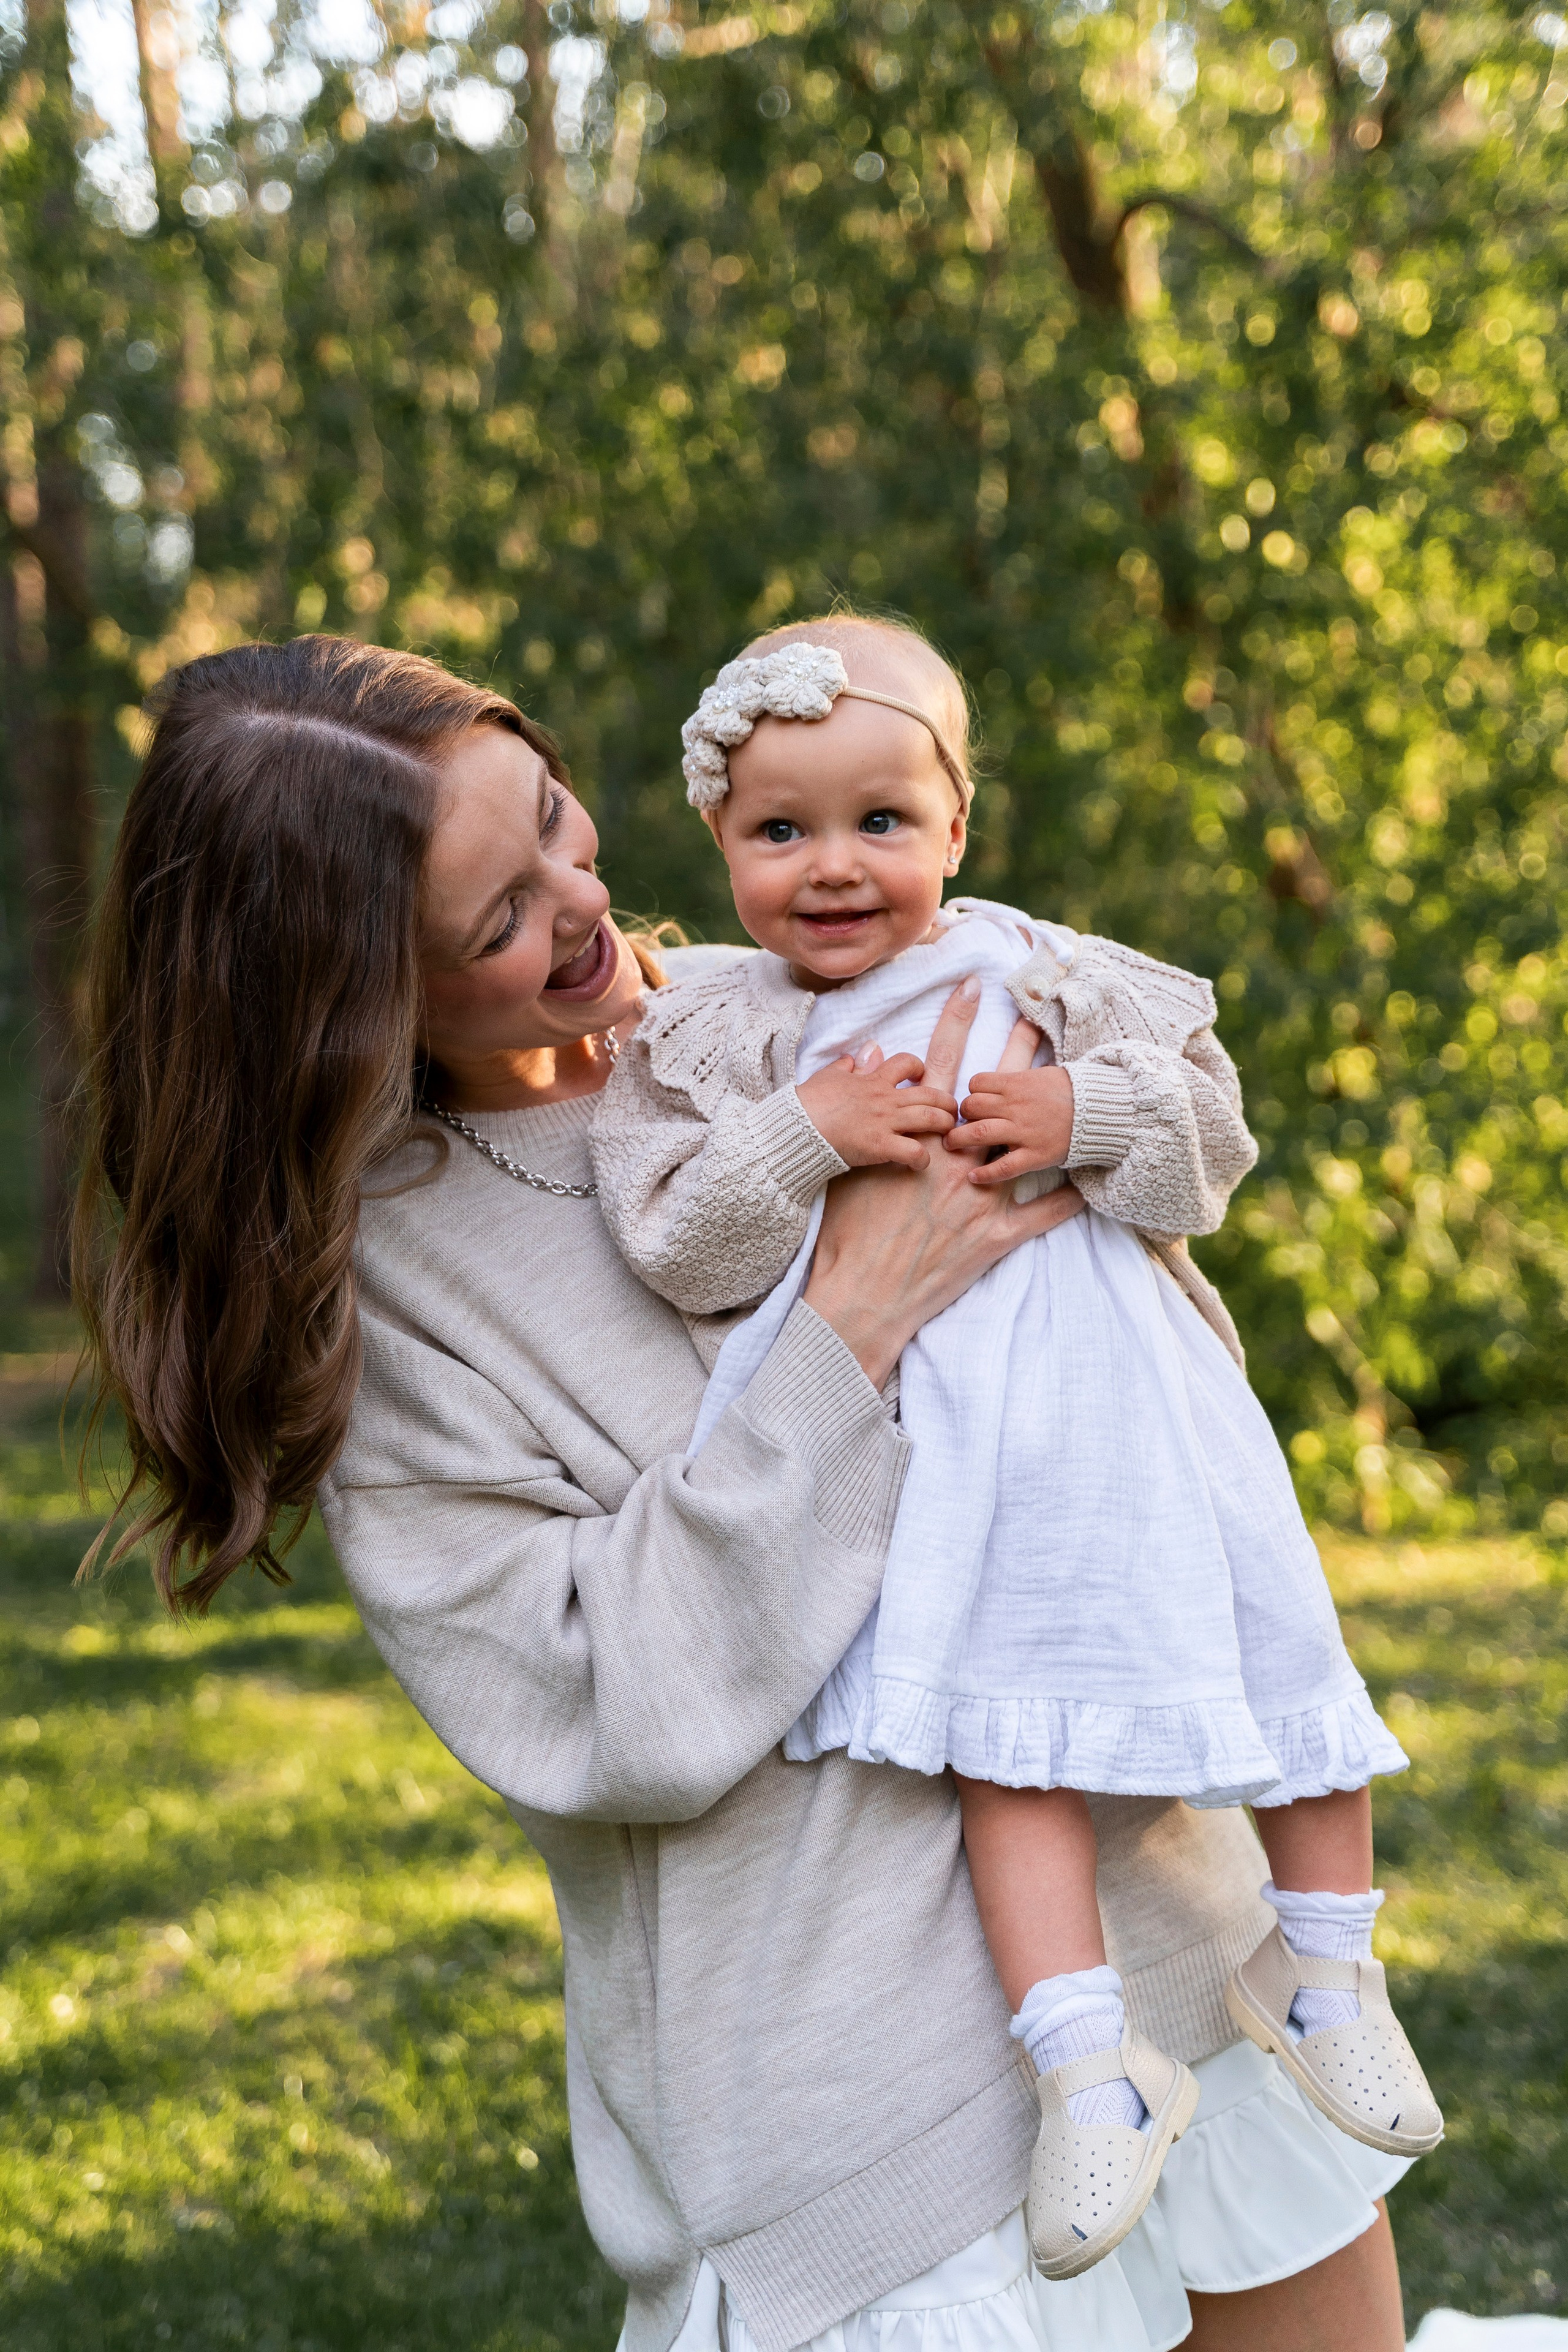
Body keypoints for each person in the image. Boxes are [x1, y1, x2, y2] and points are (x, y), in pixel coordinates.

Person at [75, 633, 1414, 2352]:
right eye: (497, 921)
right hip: (862, 2127)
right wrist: (852, 1321)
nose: (583, 907)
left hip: (1174, 1953)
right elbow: (599, 1700)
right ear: (350, 1004)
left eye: (557, 822)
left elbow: (1136, 1322)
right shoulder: (397, 1292)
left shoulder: (795, 999)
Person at [592, 613, 1442, 2276]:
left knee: (1292, 1667)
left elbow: (1208, 1150)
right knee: (1007, 1750)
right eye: (781, 831)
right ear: (720, 841)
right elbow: (686, 1250)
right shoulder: (722, 1042)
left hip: (1143, 1424)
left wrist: (1087, 1117)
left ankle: (1329, 1960)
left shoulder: (1055, 970)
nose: (833, 868)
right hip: (951, 1462)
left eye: (880, 822)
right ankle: (1086, 2072)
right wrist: (803, 1136)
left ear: (957, 826)